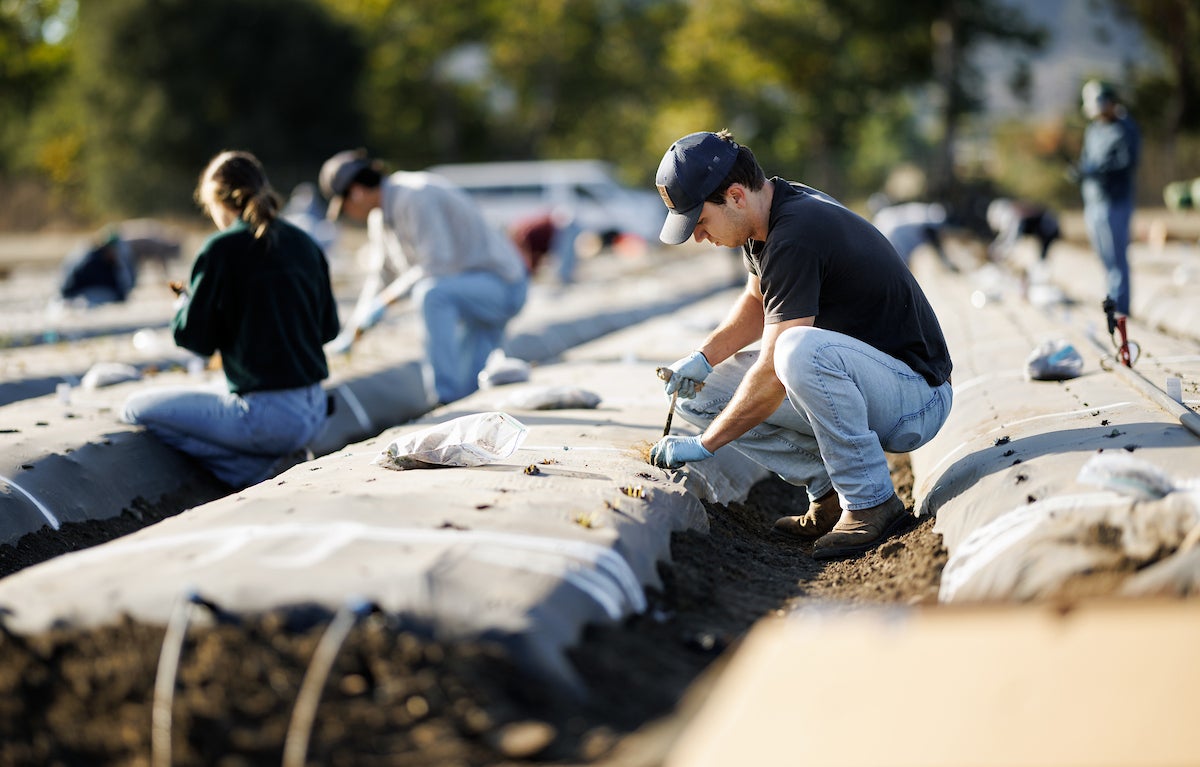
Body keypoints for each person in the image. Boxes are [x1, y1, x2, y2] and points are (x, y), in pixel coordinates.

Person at [648, 131, 954, 560]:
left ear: (735, 196)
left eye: (700, 222)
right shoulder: (763, 219)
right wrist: (703, 358)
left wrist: (706, 446)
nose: (700, 237)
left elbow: (774, 369)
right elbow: (758, 300)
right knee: (700, 394)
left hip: (916, 395)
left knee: (795, 352)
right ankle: (829, 492)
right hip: (866, 382)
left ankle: (870, 500)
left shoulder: (796, 233)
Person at [122, 151, 339, 489]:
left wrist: (185, 307)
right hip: (316, 409)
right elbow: (329, 329)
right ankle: (279, 459)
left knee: (135, 408)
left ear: (219, 202)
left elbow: (195, 340)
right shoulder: (305, 243)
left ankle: (253, 471)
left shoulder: (221, 248)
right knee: (217, 390)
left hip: (271, 418)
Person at [319, 149, 530, 404]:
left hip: (502, 287)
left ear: (356, 192)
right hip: (469, 297)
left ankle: (442, 398)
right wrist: (356, 325)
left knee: (431, 295)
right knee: (469, 390)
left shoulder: (415, 195)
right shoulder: (381, 216)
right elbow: (381, 276)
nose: (348, 212)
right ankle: (454, 399)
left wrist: (385, 302)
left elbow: (436, 264)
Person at [1072, 79, 1140, 317]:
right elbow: (1087, 159)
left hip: (1115, 202)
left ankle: (1122, 311)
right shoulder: (1093, 130)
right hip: (1094, 202)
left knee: (1116, 259)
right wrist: (1081, 171)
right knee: (1103, 258)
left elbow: (1127, 162)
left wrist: (1097, 170)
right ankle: (1112, 306)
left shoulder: (1125, 128)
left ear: (1111, 102)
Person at [58, 230, 137, 306]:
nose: (117, 253)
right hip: (80, 294)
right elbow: (69, 283)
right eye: (114, 249)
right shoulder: (89, 260)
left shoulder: (112, 262)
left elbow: (125, 286)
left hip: (97, 293)